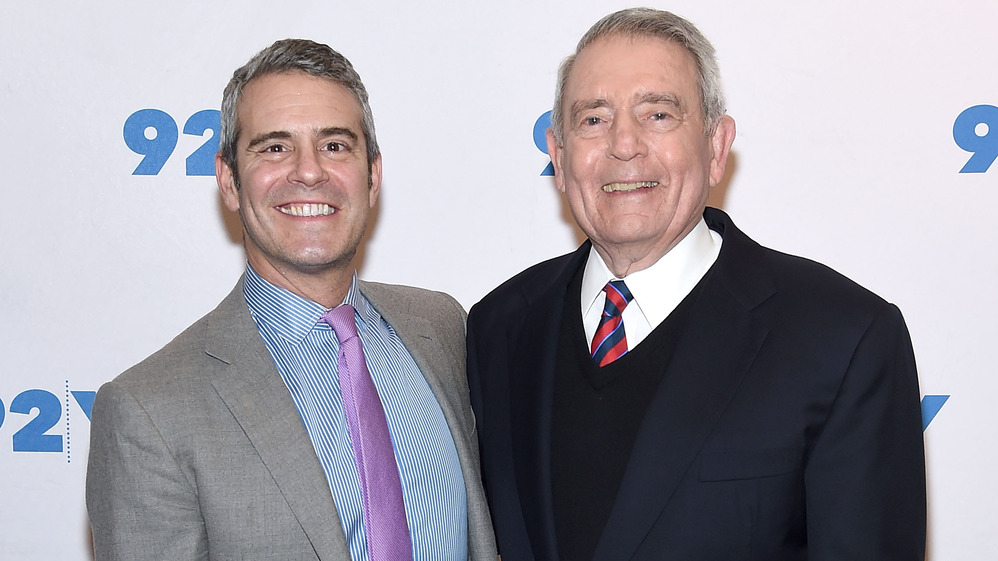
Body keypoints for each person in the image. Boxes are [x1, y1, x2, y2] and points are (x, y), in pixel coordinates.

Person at [467, 8, 925, 561]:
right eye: (593, 120)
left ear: (715, 146)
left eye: (658, 115)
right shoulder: (498, 327)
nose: (624, 145)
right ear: (559, 159)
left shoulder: (843, 338)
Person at [87, 39, 496, 561]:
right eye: (274, 147)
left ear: (372, 176)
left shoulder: (440, 327)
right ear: (228, 181)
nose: (308, 172)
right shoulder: (148, 412)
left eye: (335, 145)